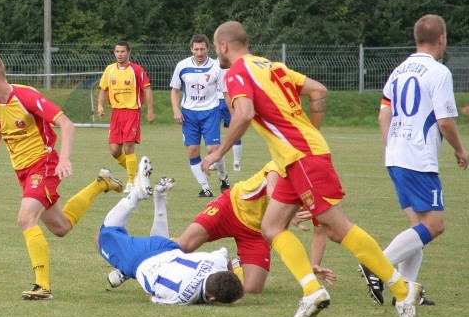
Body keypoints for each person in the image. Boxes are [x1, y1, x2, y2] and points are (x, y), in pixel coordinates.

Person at [203, 21, 423, 317]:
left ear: (223, 46)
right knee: (272, 226)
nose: (217, 52)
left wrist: (218, 152)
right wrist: (311, 132)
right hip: (294, 159)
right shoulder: (272, 66)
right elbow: (318, 90)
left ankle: (403, 290)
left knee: (336, 228)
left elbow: (245, 113)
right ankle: (312, 291)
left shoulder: (238, 71)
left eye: (215, 47)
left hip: (301, 157)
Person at [0, 54, 124, 301]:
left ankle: (42, 286)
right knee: (61, 227)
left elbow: (66, 124)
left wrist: (63, 159)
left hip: (43, 164)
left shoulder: (26, 97)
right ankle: (101, 183)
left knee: (26, 218)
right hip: (23, 171)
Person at [359, 14, 469, 306]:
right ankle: (376, 265)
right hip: (418, 159)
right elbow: (445, 121)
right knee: (434, 225)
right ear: (442, 39)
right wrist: (460, 150)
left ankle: (405, 293)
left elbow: (384, 115)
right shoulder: (438, 72)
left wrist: (394, 145)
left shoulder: (399, 70)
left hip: (396, 156)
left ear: (416, 38)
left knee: (416, 231)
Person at [98, 157, 244, 305]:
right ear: (212, 298)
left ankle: (158, 197)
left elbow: (225, 255)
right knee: (102, 238)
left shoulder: (215, 263)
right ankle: (135, 194)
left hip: (168, 247)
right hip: (141, 261)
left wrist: (231, 277)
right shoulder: (181, 297)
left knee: (149, 248)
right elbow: (153, 298)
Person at [174, 161, 334, 294]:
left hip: (258, 232)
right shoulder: (283, 164)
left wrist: (313, 265)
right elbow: (272, 189)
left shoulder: (318, 194)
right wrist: (288, 213)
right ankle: (152, 252)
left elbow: (320, 233)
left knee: (251, 289)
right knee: (184, 245)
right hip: (231, 207)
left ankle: (230, 263)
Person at [169, 34, 231, 197]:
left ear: (207, 49)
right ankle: (205, 188)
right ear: (191, 49)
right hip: (189, 114)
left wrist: (233, 111)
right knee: (192, 151)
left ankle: (223, 179)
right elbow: (174, 90)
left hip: (211, 111)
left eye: (202, 49)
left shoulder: (217, 67)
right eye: (196, 49)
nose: (199, 52)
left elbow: (225, 92)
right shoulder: (182, 66)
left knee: (213, 149)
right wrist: (176, 110)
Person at [97, 41, 155, 193]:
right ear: (114, 53)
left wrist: (150, 111)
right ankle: (137, 173)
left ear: (128, 53)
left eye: (122, 52)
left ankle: (131, 182)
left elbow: (147, 90)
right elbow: (103, 89)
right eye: (117, 51)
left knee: (129, 145)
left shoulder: (136, 70)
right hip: (116, 113)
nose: (119, 54)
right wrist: (100, 106)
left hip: (132, 111)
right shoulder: (109, 70)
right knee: (115, 151)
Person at [217, 97, 243, 171]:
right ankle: (215, 162)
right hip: (215, 100)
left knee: (235, 130)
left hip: (229, 100)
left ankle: (236, 162)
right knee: (213, 131)